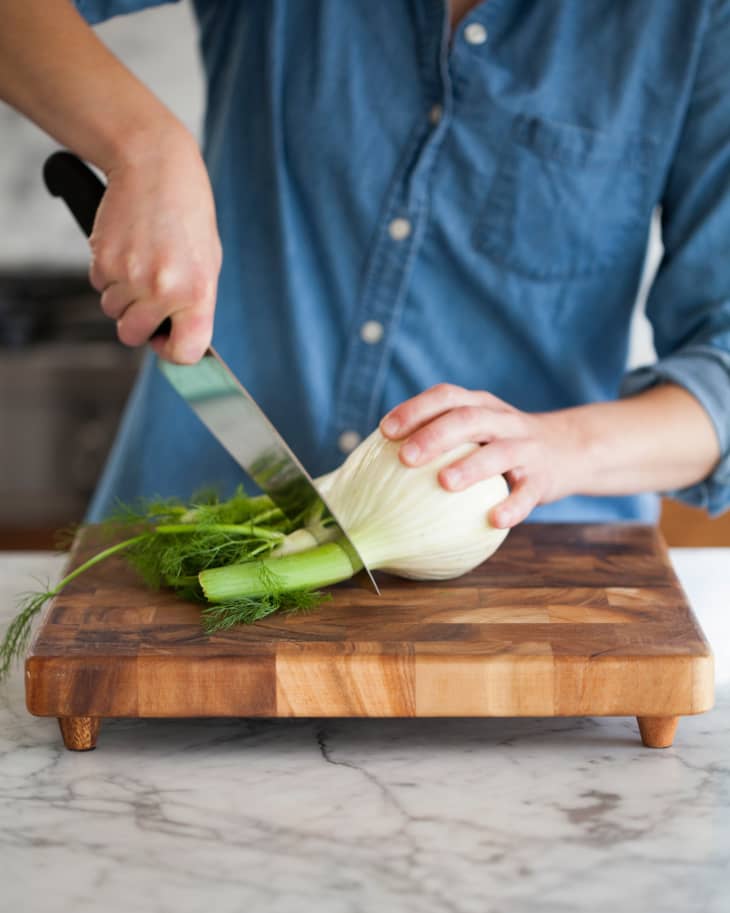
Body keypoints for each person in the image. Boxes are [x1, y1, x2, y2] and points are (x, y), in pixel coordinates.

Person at [1, 0, 728, 529]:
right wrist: (144, 144)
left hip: (529, 583)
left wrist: (561, 447)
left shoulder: (696, 21)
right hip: (192, 528)